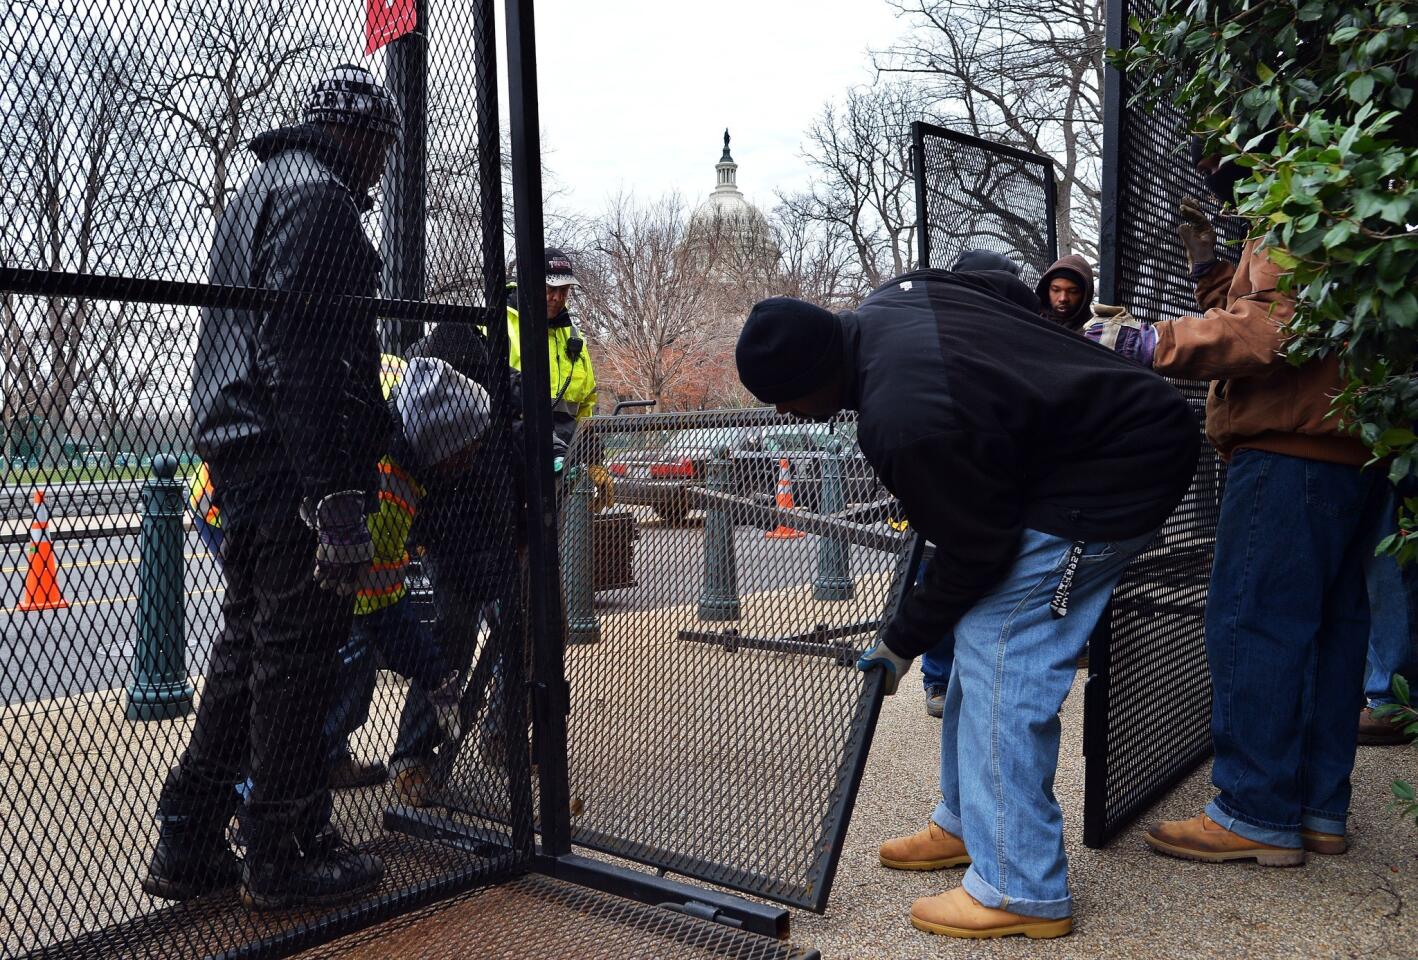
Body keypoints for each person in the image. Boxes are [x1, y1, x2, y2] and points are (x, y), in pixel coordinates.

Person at [735, 268, 1199, 939]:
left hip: (1118, 469)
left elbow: (977, 553)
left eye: (783, 400)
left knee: (1004, 658)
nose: (782, 415)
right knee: (983, 643)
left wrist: (900, 641)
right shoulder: (898, 295)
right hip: (1083, 449)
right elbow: (1007, 290)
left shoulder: (902, 420)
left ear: (816, 378)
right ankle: (966, 823)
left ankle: (1020, 886)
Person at [1084, 139, 1390, 865]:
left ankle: (1253, 810)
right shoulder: (1353, 207)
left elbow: (1269, 332)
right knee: (1332, 632)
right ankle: (1316, 809)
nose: (1213, 186)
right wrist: (1208, 270)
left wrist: (1148, 341)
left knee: (1254, 625)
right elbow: (1272, 313)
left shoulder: (1297, 207)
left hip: (1288, 454)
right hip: (1351, 452)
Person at [144, 64, 399, 911]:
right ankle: (278, 848)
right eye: (380, 150)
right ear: (358, 138)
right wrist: (334, 498)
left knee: (250, 648)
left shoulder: (261, 185)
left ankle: (192, 830)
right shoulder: (318, 196)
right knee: (296, 655)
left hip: (247, 452)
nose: (380, 170)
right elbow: (306, 357)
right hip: (293, 459)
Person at [1035, 255, 1094, 330]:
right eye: (1056, 290)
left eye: (1073, 292)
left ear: (1085, 295)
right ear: (1047, 291)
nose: (1063, 298)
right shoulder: (1033, 323)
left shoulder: (1094, 331)